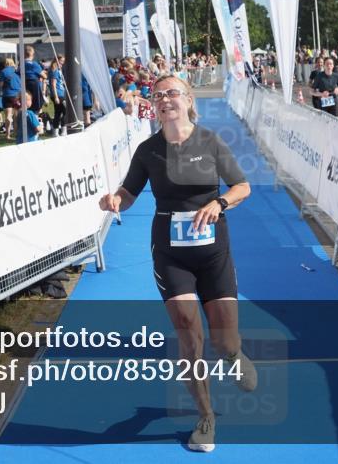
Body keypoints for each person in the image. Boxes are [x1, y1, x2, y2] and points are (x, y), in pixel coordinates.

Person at [98, 74, 256, 453]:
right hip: (170, 253)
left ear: (187, 100)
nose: (164, 98)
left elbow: (242, 186)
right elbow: (129, 192)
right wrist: (116, 201)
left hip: (214, 252)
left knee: (223, 339)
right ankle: (205, 417)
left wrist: (219, 204)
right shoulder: (148, 150)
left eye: (172, 93)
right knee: (188, 332)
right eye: (158, 94)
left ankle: (234, 353)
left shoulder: (210, 141)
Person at [0, 57, 22, 141]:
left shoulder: (3, 71)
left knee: (8, 115)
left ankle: (7, 135)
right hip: (17, 95)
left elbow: (1, 85)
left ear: (5, 63)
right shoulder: (18, 71)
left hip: (7, 95)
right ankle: (16, 133)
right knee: (16, 115)